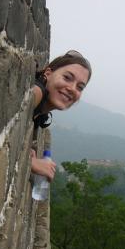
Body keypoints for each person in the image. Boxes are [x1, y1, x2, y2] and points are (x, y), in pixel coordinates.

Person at [31, 50, 92, 181]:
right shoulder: (37, 92)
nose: (72, 89)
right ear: (48, 73)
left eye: (80, 87)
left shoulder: (41, 113)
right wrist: (29, 162)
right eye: (67, 78)